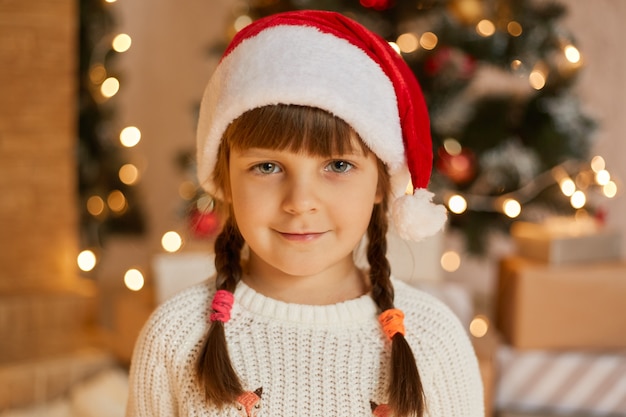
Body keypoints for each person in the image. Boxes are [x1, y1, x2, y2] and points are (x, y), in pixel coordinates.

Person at [126, 9, 484, 417]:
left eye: (338, 166)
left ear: (382, 185)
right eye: (267, 167)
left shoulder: (433, 338)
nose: (300, 201)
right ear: (224, 179)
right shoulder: (175, 335)